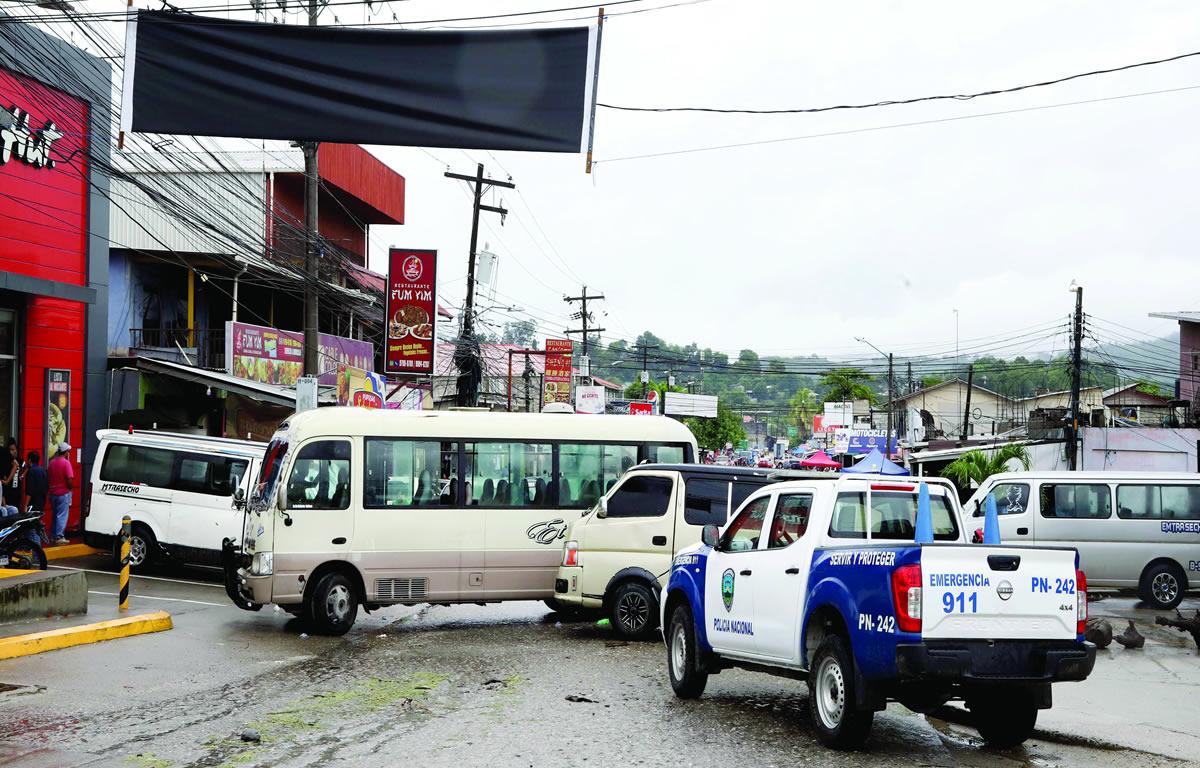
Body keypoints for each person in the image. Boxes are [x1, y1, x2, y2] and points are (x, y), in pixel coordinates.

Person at [47, 441, 74, 546]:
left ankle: (53, 536)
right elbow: (69, 479)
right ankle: (59, 536)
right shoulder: (66, 463)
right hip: (63, 493)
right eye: (68, 451)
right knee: (62, 515)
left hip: (53, 493)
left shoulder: (52, 463)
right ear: (65, 452)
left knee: (55, 515)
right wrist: (70, 489)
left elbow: (48, 477)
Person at [24, 450, 47, 520]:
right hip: (41, 501)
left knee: (31, 523)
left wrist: (25, 505)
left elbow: (29, 490)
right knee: (38, 521)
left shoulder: (31, 471)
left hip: (33, 503)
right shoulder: (42, 470)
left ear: (29, 460)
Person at [0, 438, 18, 520]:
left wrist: (7, 481)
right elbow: (16, 465)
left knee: (4, 510)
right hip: (3, 485)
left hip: (5, 486)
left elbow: (16, 465)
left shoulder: (4, 452)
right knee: (5, 509)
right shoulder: (5, 452)